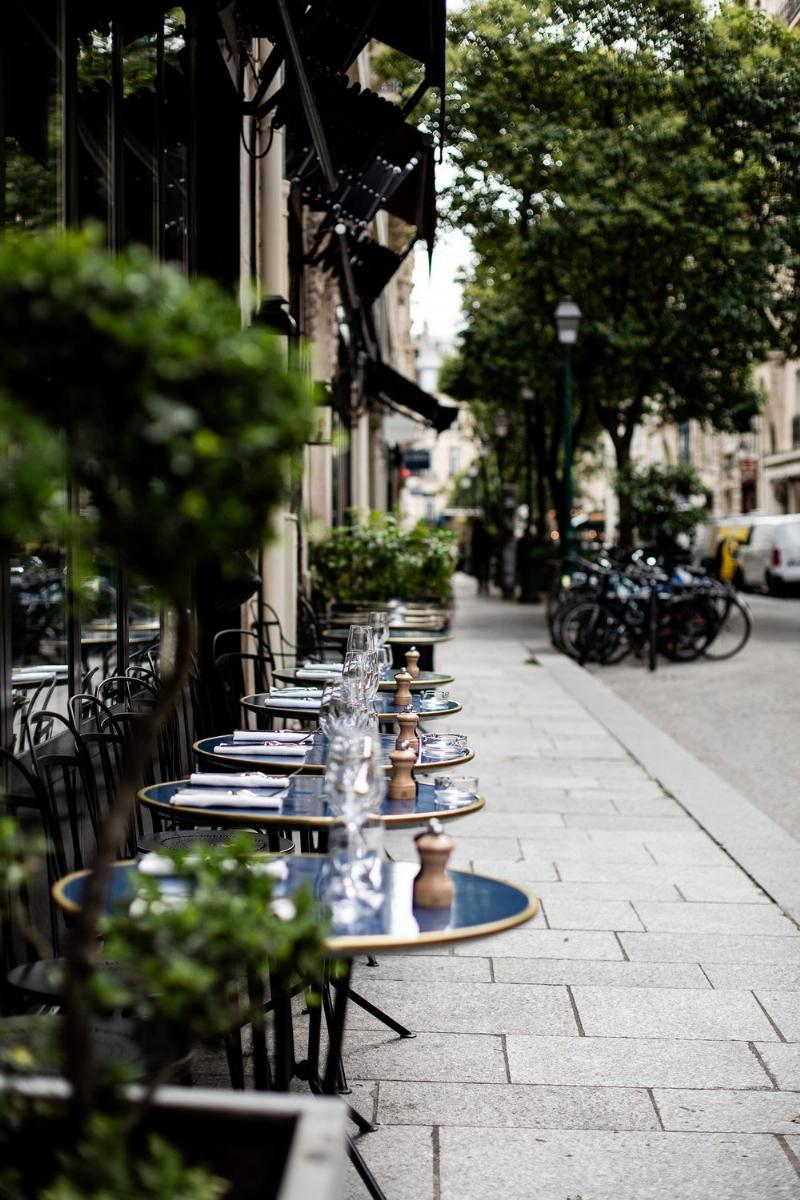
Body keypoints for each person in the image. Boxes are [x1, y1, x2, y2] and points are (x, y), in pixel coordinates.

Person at [470, 515, 491, 595]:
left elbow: (473, 545)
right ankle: (484, 585)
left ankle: (482, 585)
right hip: (484, 555)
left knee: (480, 570)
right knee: (484, 570)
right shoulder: (484, 532)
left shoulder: (476, 533)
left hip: (480, 555)